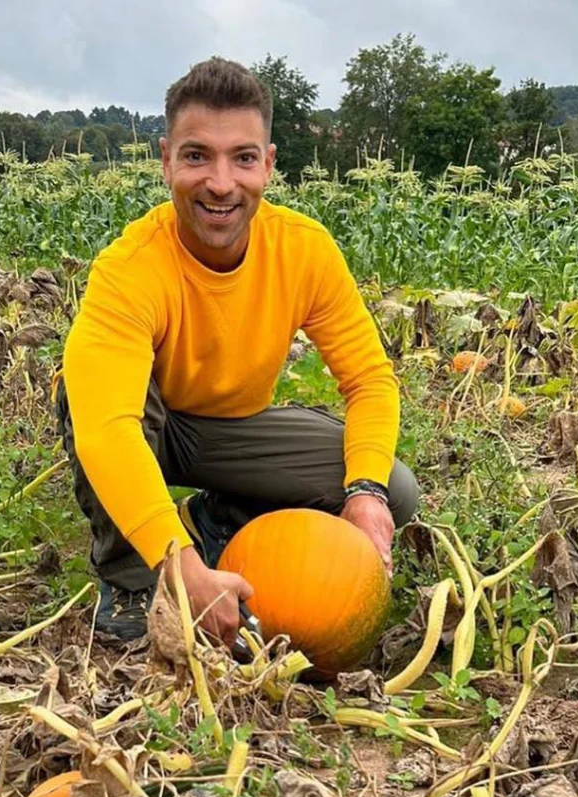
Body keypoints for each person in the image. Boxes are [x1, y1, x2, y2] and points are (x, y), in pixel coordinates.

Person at [57, 56, 419, 648]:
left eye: (243, 158)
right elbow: (108, 432)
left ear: (269, 165)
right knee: (90, 395)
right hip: (138, 421)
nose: (221, 184)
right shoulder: (129, 269)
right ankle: (130, 576)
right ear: (166, 159)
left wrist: (366, 497)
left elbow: (371, 382)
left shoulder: (303, 251)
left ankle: (216, 521)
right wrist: (176, 564)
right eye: (197, 155)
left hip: (223, 432)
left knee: (392, 488)